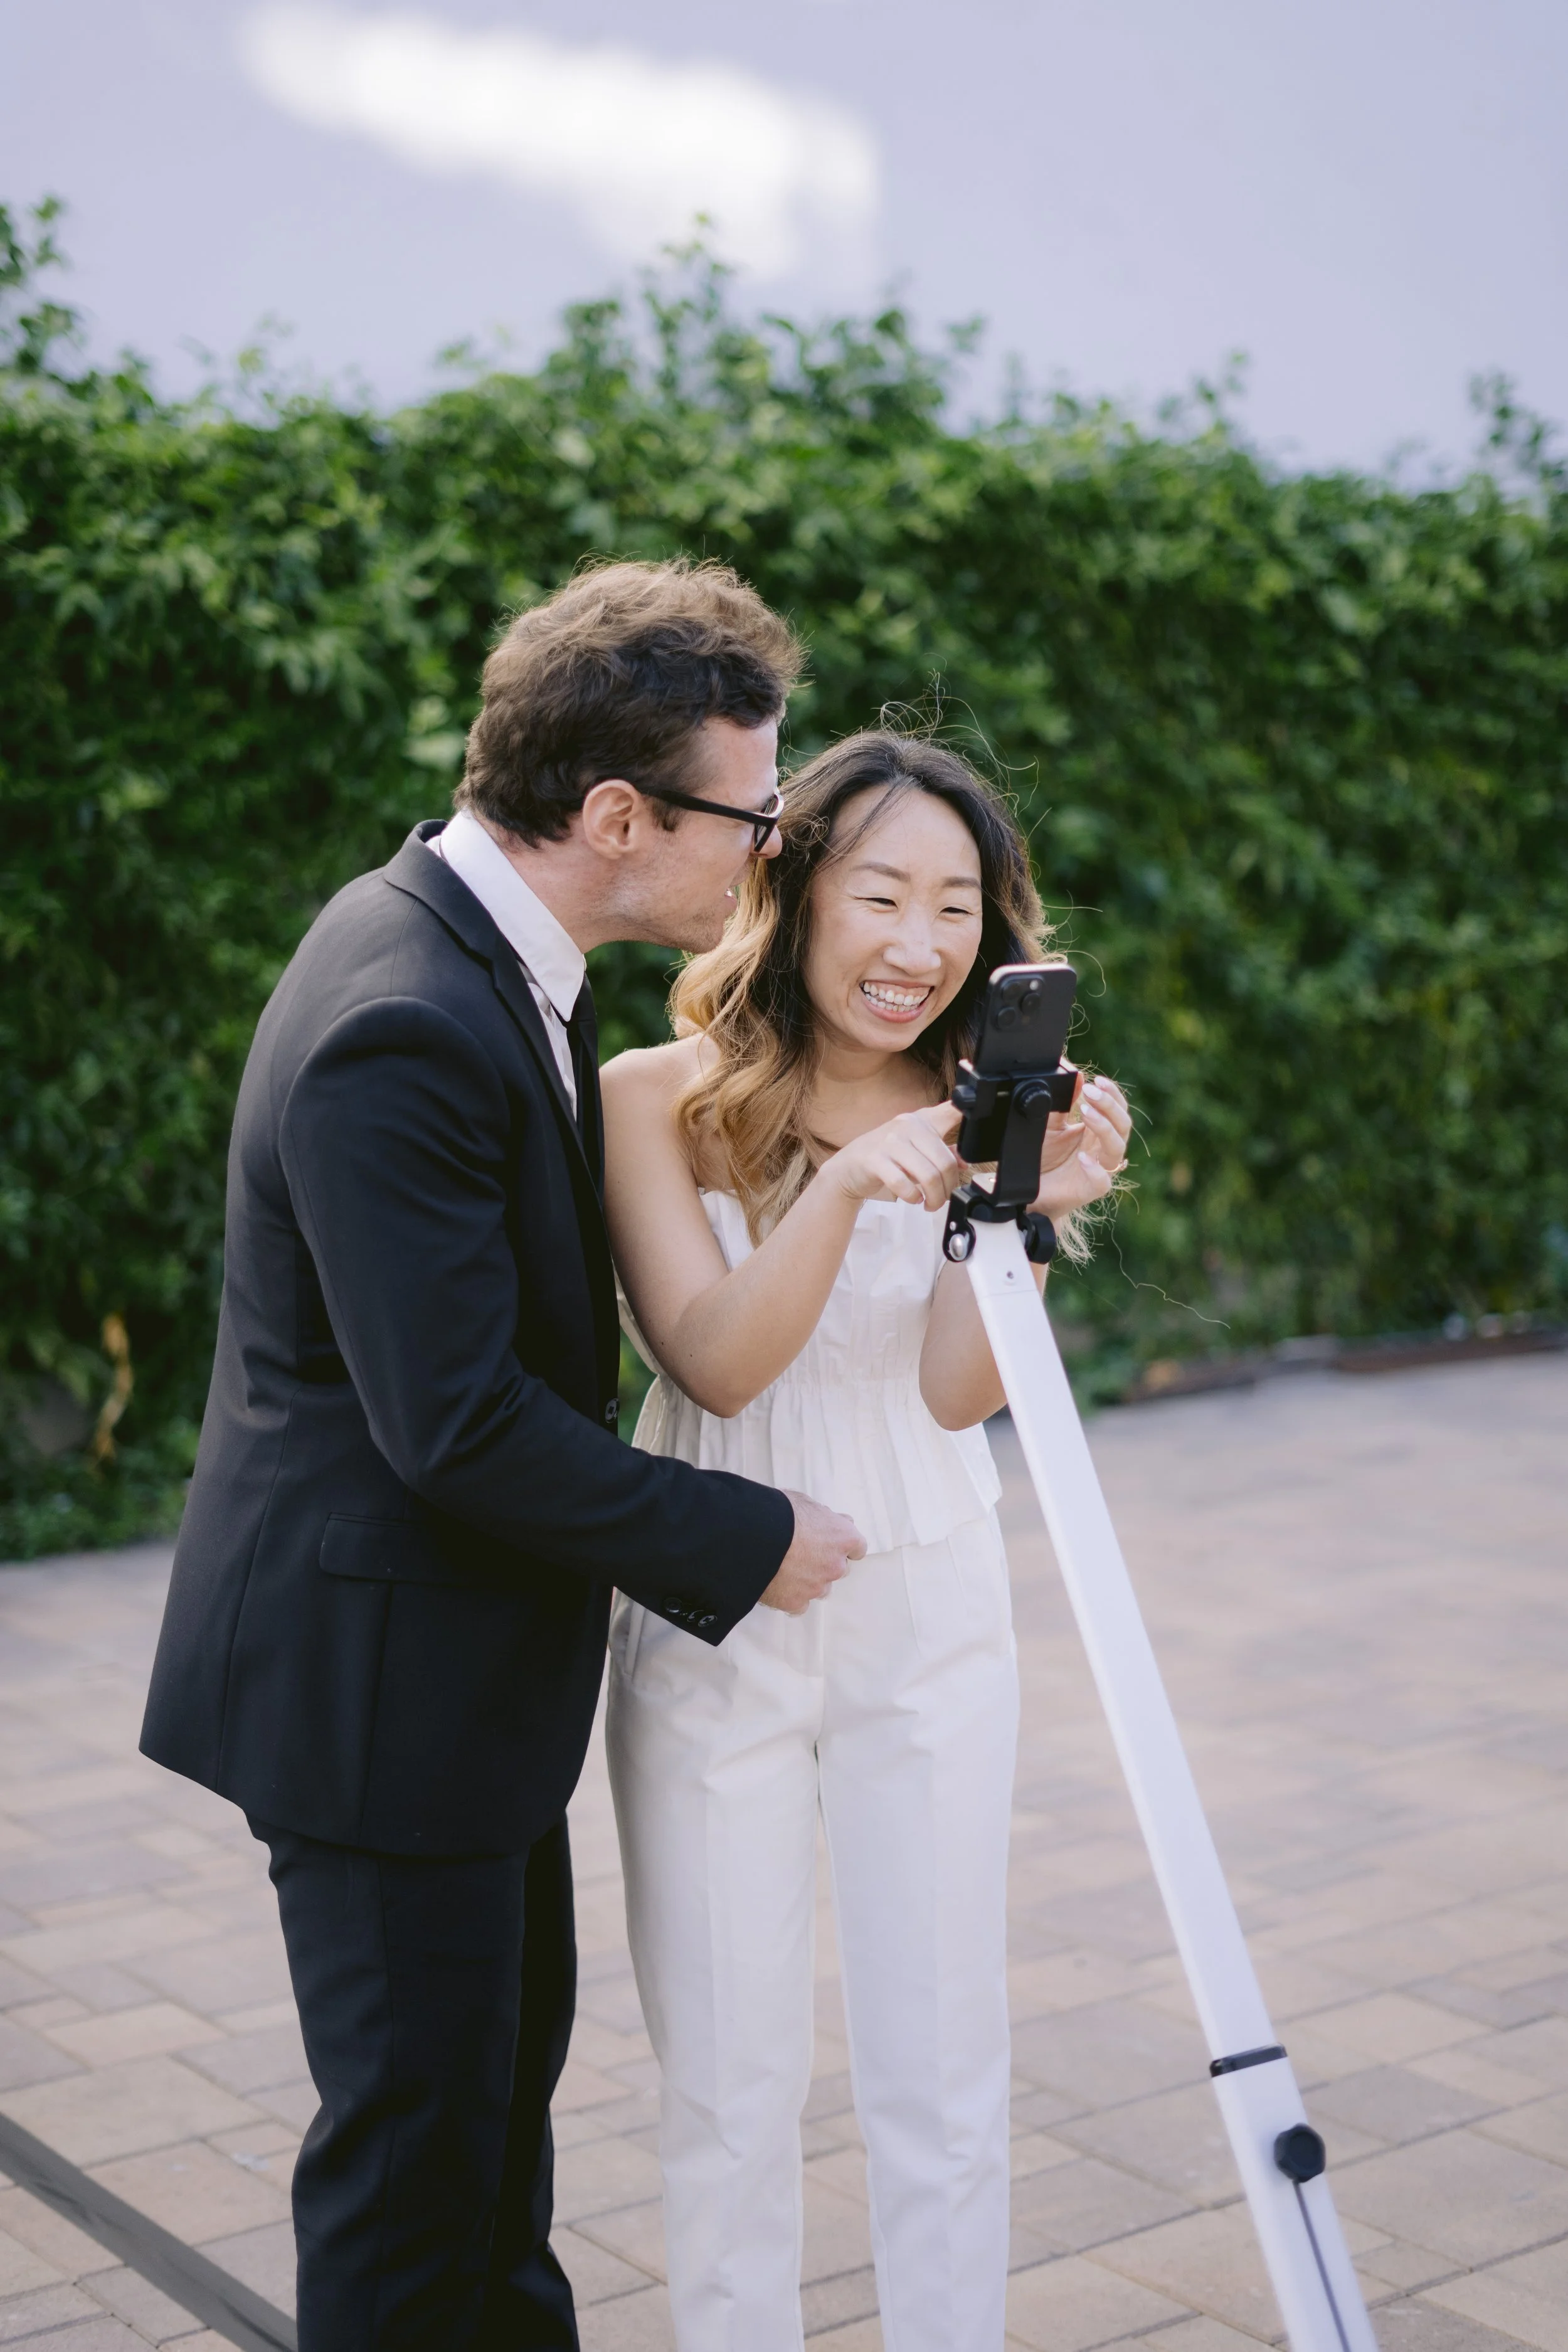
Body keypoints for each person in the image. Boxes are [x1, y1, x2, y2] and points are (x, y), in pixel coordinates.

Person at [139, 559, 866, 2352]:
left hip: (441, 1684)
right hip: (377, 1698)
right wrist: (738, 1526)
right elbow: (454, 1421)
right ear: (618, 813)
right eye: (753, 818)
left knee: (484, 2154)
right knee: (415, 2182)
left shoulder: (477, 952)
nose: (764, 852)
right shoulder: (406, 1011)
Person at [601, 732, 1131, 2352]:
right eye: (880, 893)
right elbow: (714, 1359)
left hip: (933, 1602)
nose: (917, 944)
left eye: (955, 905)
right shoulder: (649, 1096)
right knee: (728, 2078)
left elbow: (952, 1390)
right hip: (713, 1618)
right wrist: (839, 1196)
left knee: (941, 2061)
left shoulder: (975, 1100)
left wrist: (1026, 1212)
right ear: (788, 887)